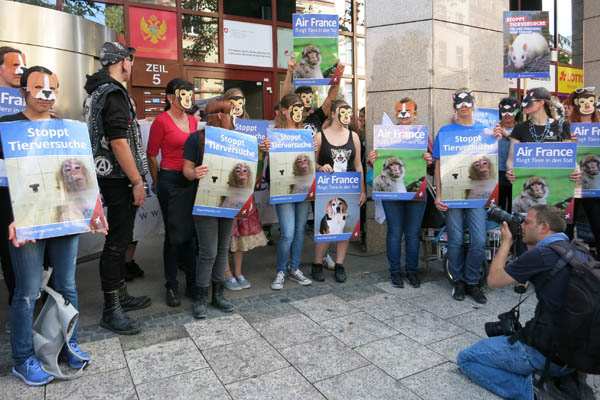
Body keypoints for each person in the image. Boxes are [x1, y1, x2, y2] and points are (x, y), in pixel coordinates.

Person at [0, 66, 99, 386]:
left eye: (52, 87)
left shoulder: (66, 128)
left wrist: (94, 211)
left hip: (65, 220)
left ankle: (68, 343)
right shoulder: (6, 128)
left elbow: (82, 177)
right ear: (23, 91)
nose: (46, 93)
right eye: (38, 87)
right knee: (27, 292)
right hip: (27, 224)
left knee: (67, 287)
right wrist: (11, 219)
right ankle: (23, 358)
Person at [457, 205, 580, 400]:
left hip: (546, 354)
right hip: (576, 355)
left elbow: (494, 280)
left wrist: (506, 241)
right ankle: (562, 377)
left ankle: (533, 392)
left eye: (527, 222)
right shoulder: (576, 250)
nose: (522, 225)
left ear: (544, 228)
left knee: (466, 359)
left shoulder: (541, 255)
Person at [84, 42, 151, 335]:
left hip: (109, 176)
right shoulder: (113, 93)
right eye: (130, 59)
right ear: (123, 62)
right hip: (119, 179)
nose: (132, 64)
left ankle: (120, 296)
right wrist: (137, 181)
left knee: (120, 241)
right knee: (116, 245)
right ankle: (111, 310)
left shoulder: (97, 92)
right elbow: (119, 141)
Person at [182, 99, 239, 318]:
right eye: (231, 114)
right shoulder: (196, 139)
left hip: (228, 201)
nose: (234, 118)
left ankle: (218, 295)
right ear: (221, 116)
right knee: (208, 252)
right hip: (205, 202)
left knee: (223, 249)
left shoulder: (236, 140)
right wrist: (194, 172)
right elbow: (186, 169)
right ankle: (201, 297)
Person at [367, 97, 432, 288]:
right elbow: (379, 166)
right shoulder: (386, 135)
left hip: (415, 193)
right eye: (400, 112)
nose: (404, 115)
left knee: (412, 233)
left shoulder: (421, 135)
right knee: (394, 232)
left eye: (408, 112)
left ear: (415, 114)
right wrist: (373, 160)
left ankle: (412, 270)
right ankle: (395, 271)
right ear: (396, 113)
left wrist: (430, 162)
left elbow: (431, 169)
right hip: (392, 194)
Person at [434, 88, 490, 304]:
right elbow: (438, 164)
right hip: (452, 193)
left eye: (467, 101)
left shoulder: (485, 131)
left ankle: (472, 281)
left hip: (476, 194)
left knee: (479, 239)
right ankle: (458, 280)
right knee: (455, 240)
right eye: (459, 102)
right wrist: (439, 194)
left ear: (474, 104)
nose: (464, 105)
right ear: (455, 106)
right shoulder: (445, 132)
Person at [147, 78, 198, 307]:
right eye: (183, 94)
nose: (188, 98)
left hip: (191, 179)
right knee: (174, 235)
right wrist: (158, 183)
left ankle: (192, 282)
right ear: (170, 97)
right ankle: (171, 284)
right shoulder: (161, 121)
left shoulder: (192, 121)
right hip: (170, 180)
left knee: (191, 233)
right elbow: (151, 154)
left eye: (190, 94)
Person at [313, 99, 366, 283]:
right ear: (333, 114)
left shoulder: (354, 137)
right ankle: (318, 263)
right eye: (342, 112)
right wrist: (320, 167)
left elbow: (358, 165)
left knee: (343, 227)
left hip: (349, 187)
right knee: (326, 227)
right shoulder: (320, 136)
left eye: (348, 113)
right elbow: (312, 162)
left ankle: (340, 264)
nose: (346, 116)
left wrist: (362, 191)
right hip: (327, 188)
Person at [222, 88, 268, 290]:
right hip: (224, 188)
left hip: (244, 189)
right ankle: (226, 272)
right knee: (225, 234)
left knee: (240, 234)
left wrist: (264, 151)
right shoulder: (220, 125)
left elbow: (257, 164)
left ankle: (239, 272)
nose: (238, 106)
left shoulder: (252, 128)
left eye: (241, 102)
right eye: (234, 102)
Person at [269, 93, 313, 290]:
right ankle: (280, 270)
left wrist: (316, 152)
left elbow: (311, 162)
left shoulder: (306, 133)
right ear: (285, 111)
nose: (298, 112)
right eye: (294, 108)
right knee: (287, 233)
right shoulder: (274, 132)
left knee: (299, 231)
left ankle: (294, 268)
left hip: (303, 187)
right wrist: (264, 148)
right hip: (284, 188)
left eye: (300, 109)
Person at [0, 46, 26, 335]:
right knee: (7, 248)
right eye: (14, 65)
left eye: (23, 66)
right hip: (2, 186)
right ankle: (16, 306)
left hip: (27, 182)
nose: (20, 70)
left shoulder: (29, 99)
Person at [567, 88, 600, 259]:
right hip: (570, 184)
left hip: (594, 188)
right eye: (582, 102)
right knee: (566, 228)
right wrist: (567, 143)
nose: (587, 105)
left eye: (590, 101)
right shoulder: (565, 127)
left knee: (597, 225)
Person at [494, 97, 522, 213]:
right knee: (497, 207)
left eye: (510, 111)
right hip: (496, 173)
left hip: (514, 174)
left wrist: (507, 135)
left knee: (513, 207)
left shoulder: (521, 129)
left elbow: (523, 146)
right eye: (503, 111)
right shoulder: (494, 128)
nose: (507, 115)